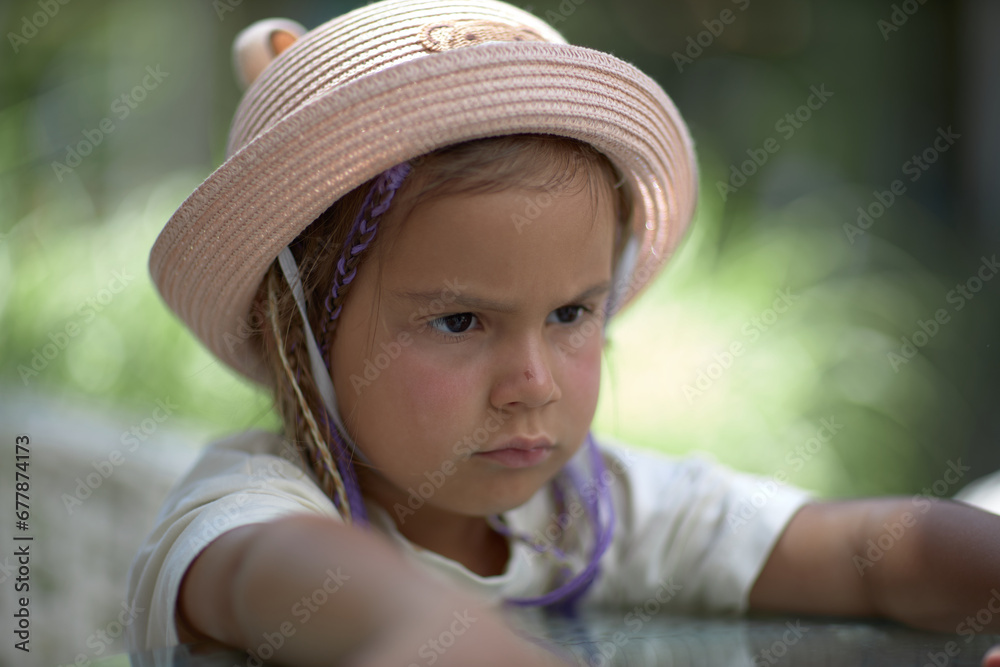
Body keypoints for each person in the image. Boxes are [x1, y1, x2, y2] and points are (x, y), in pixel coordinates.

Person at [125, 1, 1000, 665]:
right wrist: (435, 629)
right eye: (460, 319)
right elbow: (274, 575)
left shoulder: (586, 508)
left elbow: (869, 553)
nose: (532, 381)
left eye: (572, 313)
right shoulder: (249, 507)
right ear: (300, 333)